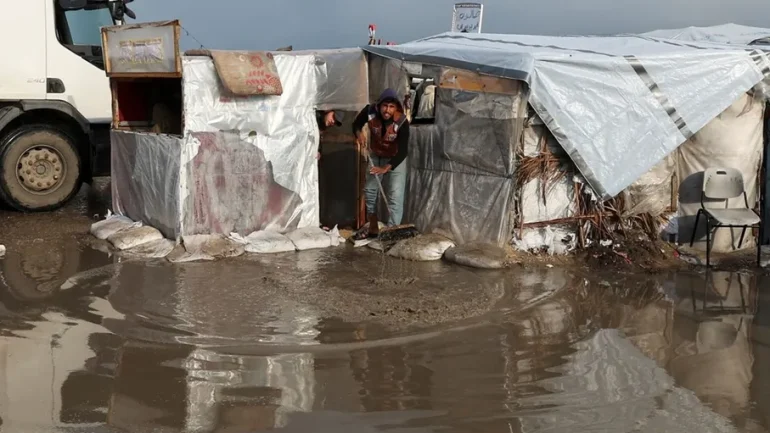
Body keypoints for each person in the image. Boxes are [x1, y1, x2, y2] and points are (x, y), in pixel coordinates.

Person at [351, 88, 410, 239]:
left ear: (396, 108)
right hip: (376, 154)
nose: (387, 110)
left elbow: (403, 151)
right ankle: (373, 226)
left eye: (391, 107)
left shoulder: (402, 122)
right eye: (385, 106)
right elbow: (356, 124)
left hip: (395, 159)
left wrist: (386, 168)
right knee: (370, 191)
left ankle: (391, 233)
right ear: (379, 106)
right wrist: (359, 134)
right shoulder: (370, 111)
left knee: (395, 196)